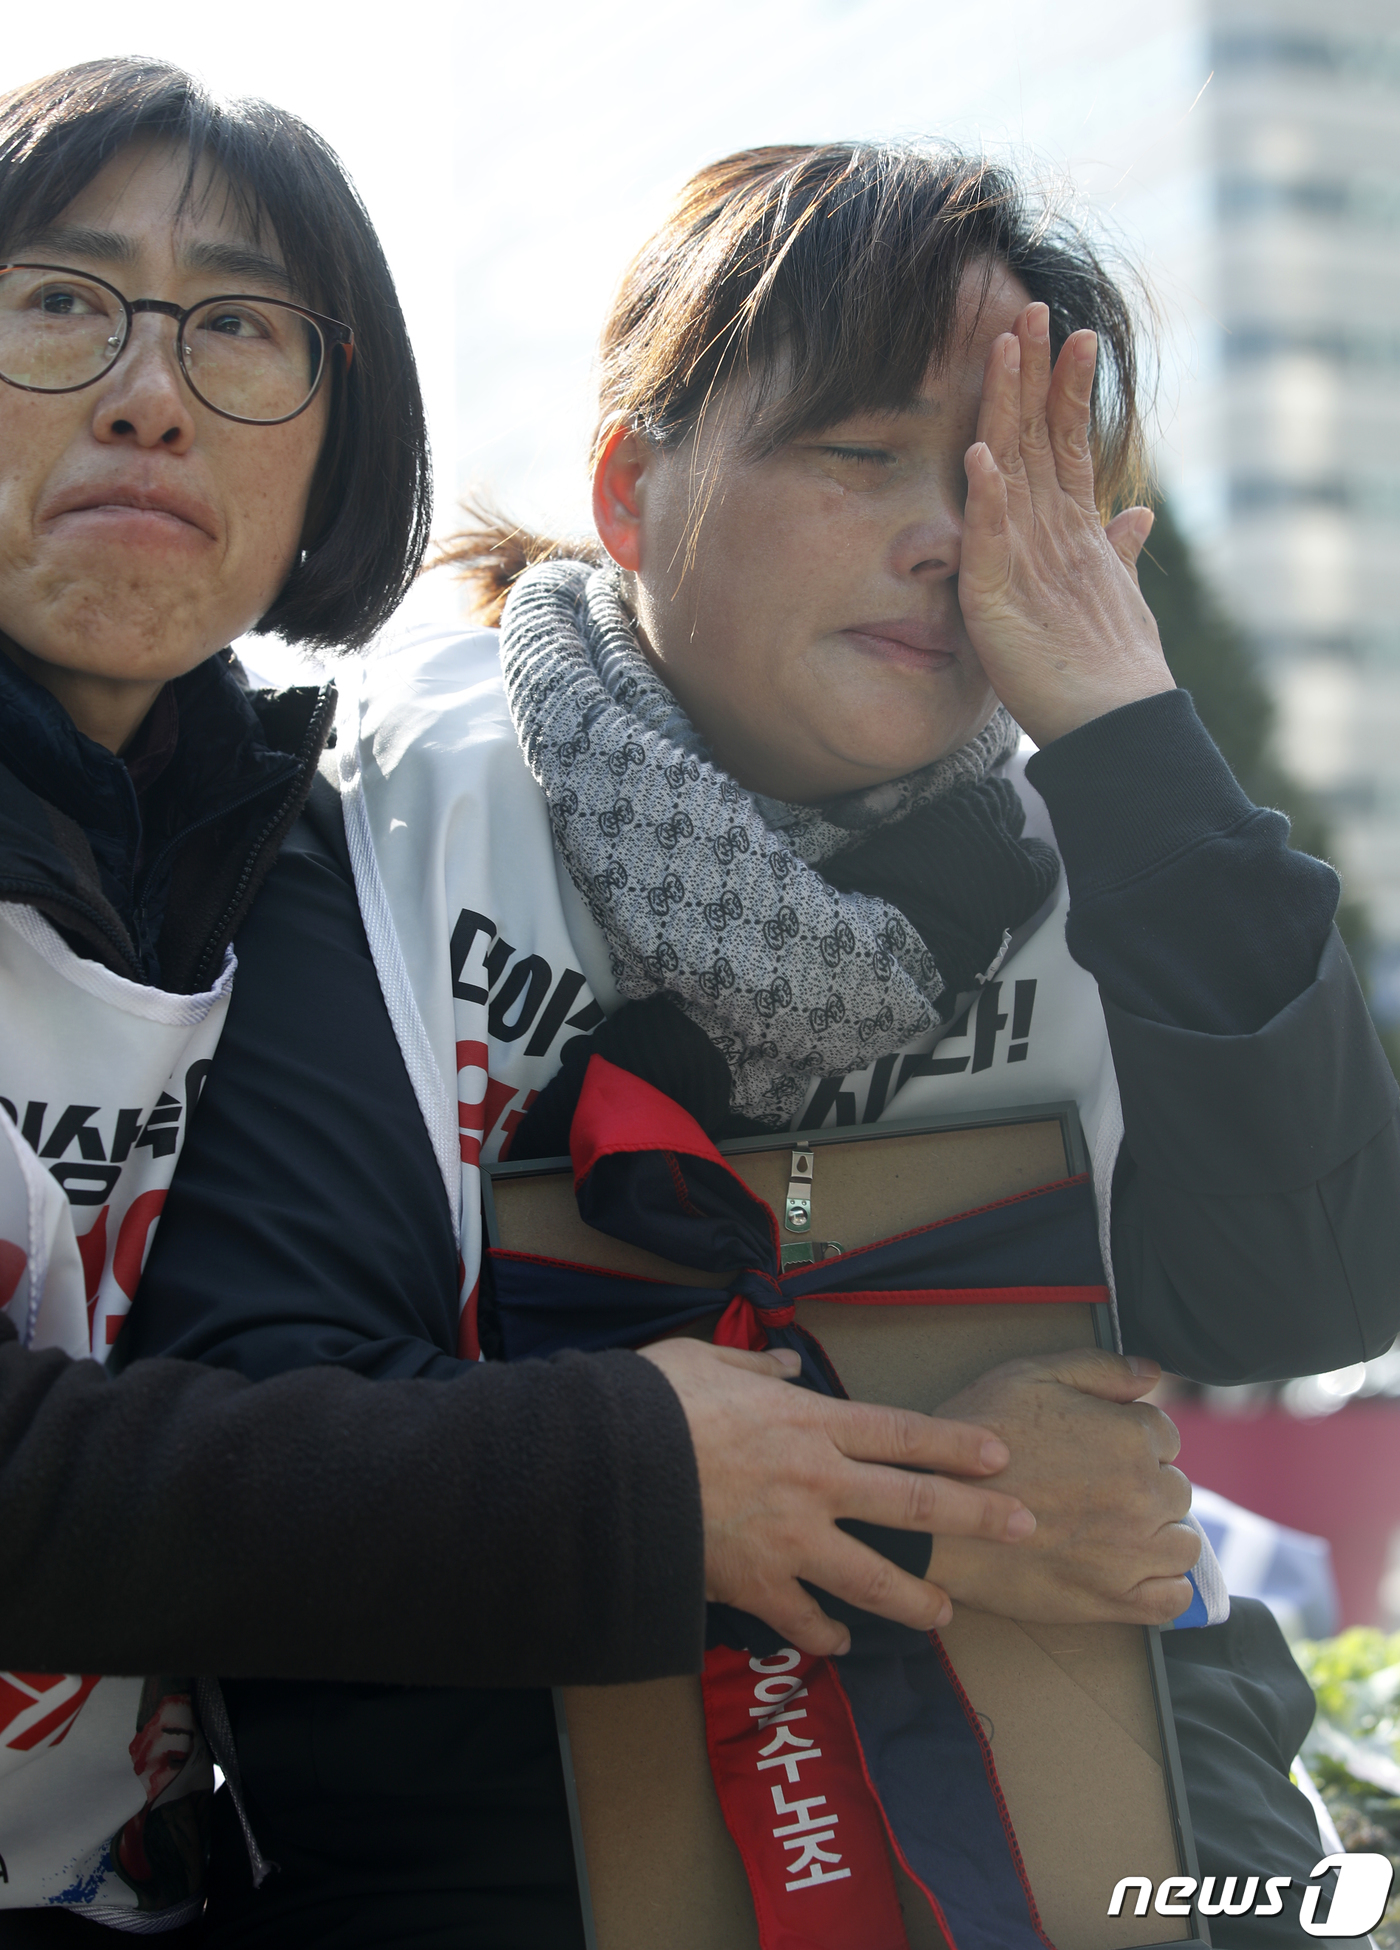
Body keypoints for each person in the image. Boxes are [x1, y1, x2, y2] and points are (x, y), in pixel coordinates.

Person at [0, 65, 1087, 1946]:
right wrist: (656, 1476)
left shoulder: (272, 829)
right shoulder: (381, 837)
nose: (150, 391)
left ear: (335, 446)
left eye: (241, 328)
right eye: (56, 301)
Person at [289, 141, 1396, 1947]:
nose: (948, 534)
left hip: (1114, 1784)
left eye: (1009, 471)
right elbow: (271, 1428)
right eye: (864, 452)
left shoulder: (1103, 826)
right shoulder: (384, 810)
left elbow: (1308, 1297)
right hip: (512, 1824)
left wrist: (1135, 736)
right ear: (631, 493)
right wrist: (900, 1505)